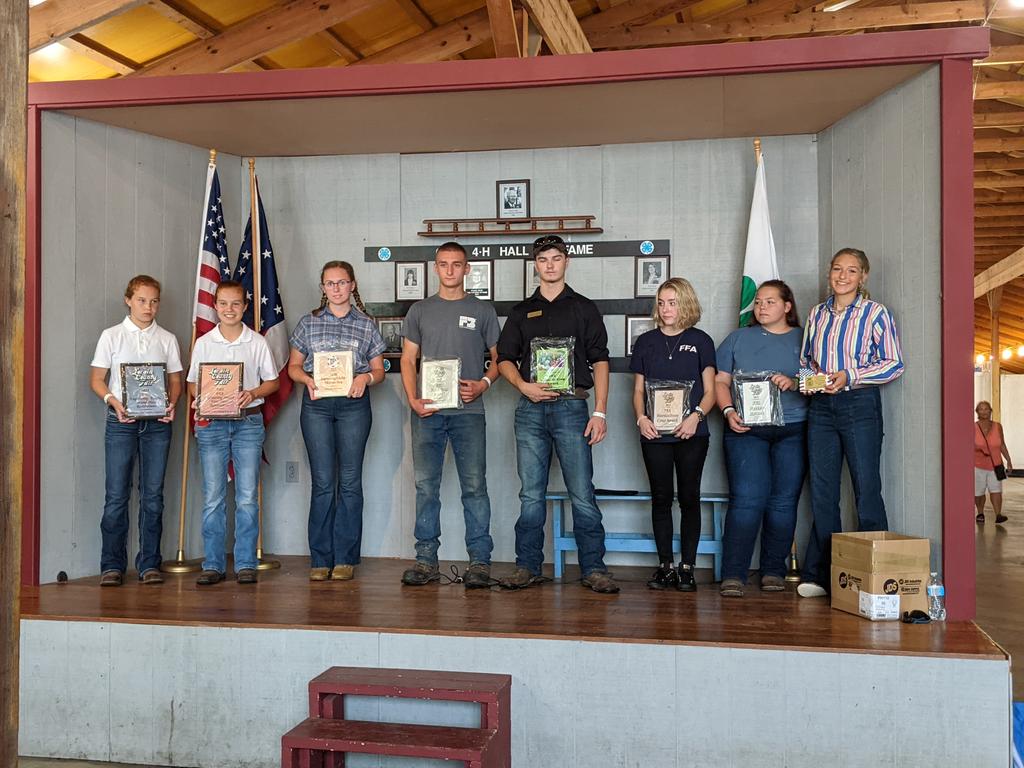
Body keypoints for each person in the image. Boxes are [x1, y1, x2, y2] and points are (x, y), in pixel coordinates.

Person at [496, 234, 619, 593]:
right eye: (543, 259)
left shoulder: (584, 308)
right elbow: (503, 359)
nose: (550, 265)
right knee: (530, 494)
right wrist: (523, 386)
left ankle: (594, 568)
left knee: (581, 491)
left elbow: (600, 360)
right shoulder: (521, 312)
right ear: (535, 265)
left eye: (556, 258)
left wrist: (600, 412)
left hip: (572, 408)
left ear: (567, 262)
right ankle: (527, 566)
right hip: (530, 409)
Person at [797, 248, 904, 598]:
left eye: (852, 270)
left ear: (863, 277)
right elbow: (805, 362)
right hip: (821, 409)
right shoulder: (817, 313)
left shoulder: (875, 313)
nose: (843, 276)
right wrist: (810, 380)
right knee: (824, 494)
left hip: (859, 404)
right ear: (829, 273)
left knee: (866, 489)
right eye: (837, 269)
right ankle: (825, 575)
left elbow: (893, 364)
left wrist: (850, 376)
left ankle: (877, 575)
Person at [399, 242, 500, 588]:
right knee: (426, 487)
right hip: (428, 412)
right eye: (444, 264)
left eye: (457, 265)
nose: (450, 270)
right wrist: (413, 398)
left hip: (469, 411)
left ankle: (480, 562)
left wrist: (484, 383)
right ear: (436, 268)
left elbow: (500, 359)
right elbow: (407, 359)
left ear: (467, 269)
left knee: (474, 487)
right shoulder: (420, 310)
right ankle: (426, 560)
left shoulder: (483, 310)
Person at [288, 261, 385, 582]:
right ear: (323, 288)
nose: (336, 289)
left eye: (342, 283)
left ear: (352, 286)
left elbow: (380, 370)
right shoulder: (308, 323)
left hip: (354, 406)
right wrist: (307, 380)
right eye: (330, 284)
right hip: (316, 405)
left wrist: (366, 378)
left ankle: (345, 558)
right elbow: (293, 367)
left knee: (349, 482)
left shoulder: (367, 324)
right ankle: (320, 558)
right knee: (323, 484)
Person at [714, 280, 806, 597]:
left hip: (794, 429)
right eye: (758, 302)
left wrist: (795, 382)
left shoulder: (806, 338)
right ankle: (733, 574)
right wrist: (727, 410)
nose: (762, 307)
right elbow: (720, 381)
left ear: (787, 306)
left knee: (783, 504)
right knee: (747, 502)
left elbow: (822, 377)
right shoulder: (737, 338)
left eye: (769, 302)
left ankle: (773, 572)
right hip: (745, 430)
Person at [90, 275, 183, 587]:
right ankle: (112, 565)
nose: (149, 306)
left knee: (153, 496)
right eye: (142, 300)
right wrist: (113, 401)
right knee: (116, 495)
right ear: (128, 300)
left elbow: (174, 381)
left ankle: (149, 564)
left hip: (157, 425)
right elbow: (96, 379)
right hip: (121, 423)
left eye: (154, 301)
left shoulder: (167, 338)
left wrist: (172, 404)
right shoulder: (112, 336)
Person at [187, 280, 280, 586]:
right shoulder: (204, 343)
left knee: (247, 497)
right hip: (212, 424)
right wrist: (199, 397)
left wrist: (252, 392)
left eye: (236, 304)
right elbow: (192, 382)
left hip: (248, 424)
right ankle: (213, 564)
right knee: (213, 497)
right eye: (223, 304)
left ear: (245, 307)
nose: (229, 309)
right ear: (214, 306)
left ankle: (245, 563)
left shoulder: (256, 342)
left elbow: (273, 383)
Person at [631, 278, 716, 591]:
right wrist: (640, 418)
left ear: (686, 304)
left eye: (673, 302)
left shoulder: (701, 341)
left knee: (690, 498)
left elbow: (710, 391)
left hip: (692, 433)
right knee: (661, 498)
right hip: (654, 434)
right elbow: (638, 390)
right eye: (662, 302)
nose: (667, 309)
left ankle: (688, 567)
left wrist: (696, 417)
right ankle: (665, 565)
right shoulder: (646, 342)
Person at [975, 400, 1013, 524]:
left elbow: (1001, 444)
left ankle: (998, 514)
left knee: (996, 490)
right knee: (979, 491)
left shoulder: (997, 426)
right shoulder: (973, 427)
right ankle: (980, 512)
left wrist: (1008, 460)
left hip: (996, 465)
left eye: (986, 409)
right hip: (978, 465)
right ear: (977, 412)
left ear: (990, 411)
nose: (984, 411)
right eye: (981, 409)